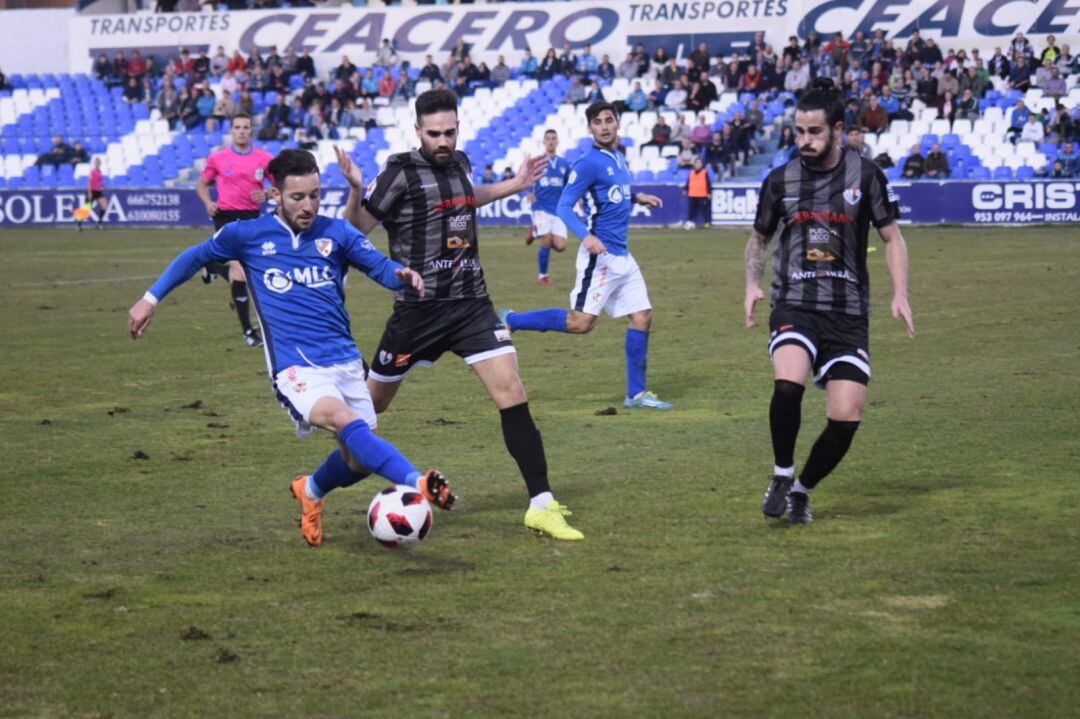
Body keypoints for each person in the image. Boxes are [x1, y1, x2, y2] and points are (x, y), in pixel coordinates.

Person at [128, 149, 453, 548]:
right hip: (296, 367)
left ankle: (311, 490)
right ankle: (416, 480)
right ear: (274, 195)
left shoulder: (337, 233)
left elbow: (382, 268)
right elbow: (195, 256)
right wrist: (150, 298)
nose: (309, 205)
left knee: (359, 460)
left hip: (346, 362)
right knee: (341, 420)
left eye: (315, 194)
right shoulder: (246, 235)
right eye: (298, 197)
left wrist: (402, 276)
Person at [335, 89, 583, 541]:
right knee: (366, 412)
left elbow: (468, 197)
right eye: (435, 134)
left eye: (450, 131)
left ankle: (541, 504)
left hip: (471, 305)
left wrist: (515, 184)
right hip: (416, 313)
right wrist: (355, 189)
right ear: (418, 131)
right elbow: (354, 232)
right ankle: (317, 484)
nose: (443, 140)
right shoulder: (399, 173)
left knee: (512, 390)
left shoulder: (462, 162)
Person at [745, 78, 914, 525]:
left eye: (814, 132)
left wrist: (900, 293)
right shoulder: (780, 180)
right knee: (788, 381)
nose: (804, 140)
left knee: (846, 415)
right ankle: (782, 473)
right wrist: (751, 284)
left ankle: (802, 491)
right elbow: (759, 238)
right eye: (798, 131)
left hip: (848, 314)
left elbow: (892, 238)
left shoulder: (867, 175)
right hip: (795, 302)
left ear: (837, 129)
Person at [499, 101, 673, 411]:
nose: (605, 126)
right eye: (598, 122)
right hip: (601, 257)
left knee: (643, 316)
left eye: (609, 120)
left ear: (617, 123)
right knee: (581, 323)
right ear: (589, 128)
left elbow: (615, 189)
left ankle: (636, 394)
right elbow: (565, 206)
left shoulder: (618, 158)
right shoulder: (586, 163)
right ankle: (511, 320)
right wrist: (587, 236)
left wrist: (638, 196)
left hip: (623, 255)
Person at [195, 114, 273, 348]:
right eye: (237, 127)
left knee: (247, 270)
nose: (241, 131)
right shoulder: (218, 158)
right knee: (239, 270)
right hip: (226, 217)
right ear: (231, 131)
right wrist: (208, 202)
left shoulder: (265, 158)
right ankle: (248, 331)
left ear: (251, 131)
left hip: (252, 218)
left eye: (246, 127)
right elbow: (201, 184)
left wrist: (268, 194)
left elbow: (280, 185)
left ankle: (212, 266)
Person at [524, 129, 571, 285]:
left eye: (553, 138)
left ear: (557, 142)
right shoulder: (537, 162)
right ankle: (543, 275)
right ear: (543, 142)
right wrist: (527, 193)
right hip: (540, 207)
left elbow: (570, 185)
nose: (551, 141)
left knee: (560, 246)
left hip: (558, 210)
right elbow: (523, 179)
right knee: (546, 241)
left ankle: (535, 230)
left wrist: (576, 198)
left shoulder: (564, 164)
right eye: (548, 139)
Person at [77, 157, 108, 231]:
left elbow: (99, 181)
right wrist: (89, 193)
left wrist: (103, 185)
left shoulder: (99, 171)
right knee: (86, 209)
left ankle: (99, 223)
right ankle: (79, 225)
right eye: (96, 163)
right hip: (92, 191)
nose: (97, 164)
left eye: (98, 162)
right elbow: (89, 183)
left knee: (105, 206)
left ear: (100, 164)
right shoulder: (93, 171)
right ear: (94, 164)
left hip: (98, 191)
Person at [685, 156, 711, 228]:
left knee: (704, 210)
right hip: (692, 194)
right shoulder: (691, 172)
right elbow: (688, 182)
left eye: (700, 163)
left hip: (702, 194)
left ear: (702, 164)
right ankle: (689, 222)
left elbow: (708, 183)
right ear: (695, 164)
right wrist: (685, 189)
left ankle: (707, 223)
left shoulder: (704, 172)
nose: (698, 165)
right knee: (691, 210)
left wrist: (709, 192)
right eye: (697, 163)